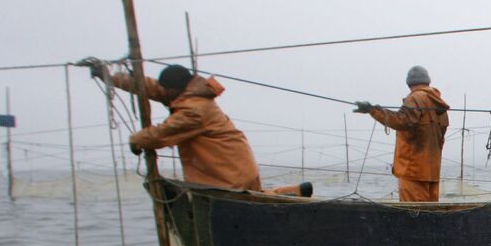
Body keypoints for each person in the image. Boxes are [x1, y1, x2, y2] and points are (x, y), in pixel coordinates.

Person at [81, 60, 310, 196]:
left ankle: (293, 193)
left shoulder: (194, 109)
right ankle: (297, 191)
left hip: (227, 171)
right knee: (252, 197)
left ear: (177, 88)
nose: (164, 93)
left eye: (167, 90)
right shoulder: (187, 95)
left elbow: (164, 133)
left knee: (242, 198)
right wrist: (110, 77)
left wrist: (138, 140)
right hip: (234, 165)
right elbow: (154, 88)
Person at [355, 66, 450, 203]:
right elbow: (442, 135)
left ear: (409, 83)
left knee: (413, 215)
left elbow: (400, 121)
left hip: (412, 170)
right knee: (430, 214)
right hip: (432, 172)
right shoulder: (439, 105)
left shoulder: (416, 98)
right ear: (428, 81)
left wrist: (372, 110)